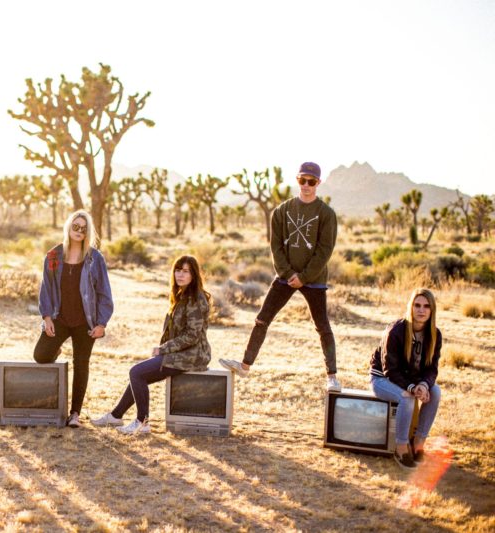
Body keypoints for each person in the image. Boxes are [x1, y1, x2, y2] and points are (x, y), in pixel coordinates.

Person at [220, 161, 341, 391]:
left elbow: (325, 250)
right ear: (297, 179)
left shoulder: (326, 214)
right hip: (285, 276)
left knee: (322, 326)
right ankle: (245, 365)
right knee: (262, 319)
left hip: (313, 280)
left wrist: (304, 277)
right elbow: (275, 246)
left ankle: (332, 376)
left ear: (318, 183)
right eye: (302, 180)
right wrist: (287, 273)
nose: (306, 185)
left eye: (311, 181)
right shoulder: (282, 211)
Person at [92, 255, 211, 434]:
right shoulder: (182, 295)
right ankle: (116, 416)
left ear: (193, 274)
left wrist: (163, 349)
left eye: (185, 271)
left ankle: (142, 422)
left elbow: (192, 336)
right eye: (178, 270)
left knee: (137, 372)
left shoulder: (195, 299)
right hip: (180, 352)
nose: (180, 275)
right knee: (140, 374)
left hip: (193, 355)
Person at [34, 210, 113, 428]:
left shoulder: (95, 259)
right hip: (59, 317)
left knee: (81, 364)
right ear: (68, 227)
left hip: (85, 322)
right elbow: (46, 289)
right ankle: (57, 349)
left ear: (88, 232)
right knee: (41, 355)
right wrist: (47, 316)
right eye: (75, 226)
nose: (79, 231)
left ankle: (75, 414)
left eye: (83, 228)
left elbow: (104, 293)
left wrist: (101, 323)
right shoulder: (53, 256)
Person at [370, 288, 442, 469]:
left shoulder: (435, 334)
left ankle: (418, 442)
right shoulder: (396, 331)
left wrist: (424, 385)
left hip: (413, 380)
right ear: (411, 307)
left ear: (432, 310)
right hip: (382, 380)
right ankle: (401, 447)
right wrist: (412, 387)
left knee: (436, 392)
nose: (421, 310)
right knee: (406, 397)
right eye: (417, 305)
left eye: (426, 306)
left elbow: (432, 368)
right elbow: (389, 370)